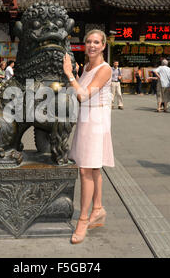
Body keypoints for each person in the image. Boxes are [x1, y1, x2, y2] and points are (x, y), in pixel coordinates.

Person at [62, 29, 114, 244]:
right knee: (94, 168)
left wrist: (69, 75)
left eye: (96, 42)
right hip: (86, 120)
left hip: (96, 121)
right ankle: (98, 208)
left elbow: (83, 95)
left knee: (86, 170)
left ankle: (83, 219)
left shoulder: (104, 69)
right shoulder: (87, 68)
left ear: (103, 46)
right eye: (88, 42)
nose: (92, 45)